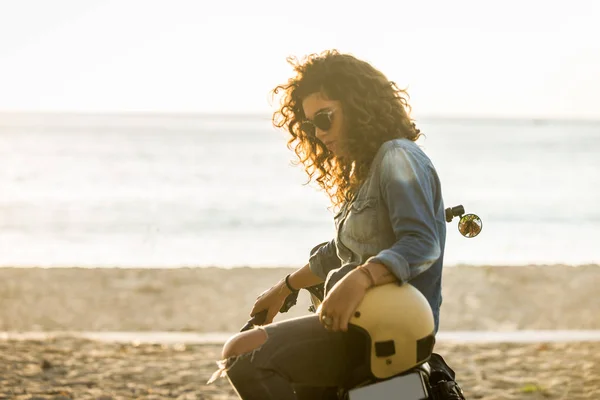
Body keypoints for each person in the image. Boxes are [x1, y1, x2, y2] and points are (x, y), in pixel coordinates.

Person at [209, 50, 464, 399]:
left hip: (386, 327)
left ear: (360, 106)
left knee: (244, 355)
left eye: (325, 118)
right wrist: (286, 286)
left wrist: (362, 277)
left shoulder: (398, 156)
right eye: (311, 125)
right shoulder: (368, 168)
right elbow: (342, 250)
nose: (318, 133)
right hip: (358, 319)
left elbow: (422, 243)